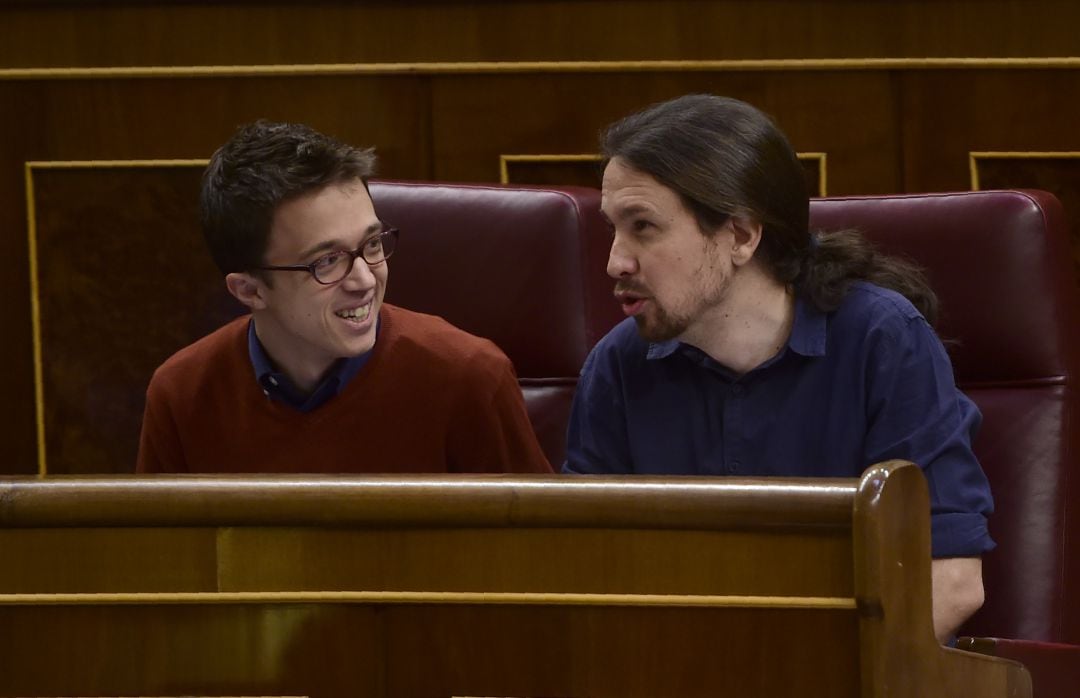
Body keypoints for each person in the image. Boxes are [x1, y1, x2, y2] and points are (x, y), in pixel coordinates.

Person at [563, 94, 993, 642]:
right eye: (613, 229)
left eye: (643, 226)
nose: (615, 260)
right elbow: (585, 579)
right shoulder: (617, 367)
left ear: (741, 235)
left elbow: (950, 582)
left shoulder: (884, 340)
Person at [137, 120, 551, 475]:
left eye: (372, 244)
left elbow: (540, 553)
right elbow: (164, 562)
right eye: (328, 261)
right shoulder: (182, 394)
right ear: (250, 289)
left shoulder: (471, 377)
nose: (364, 280)